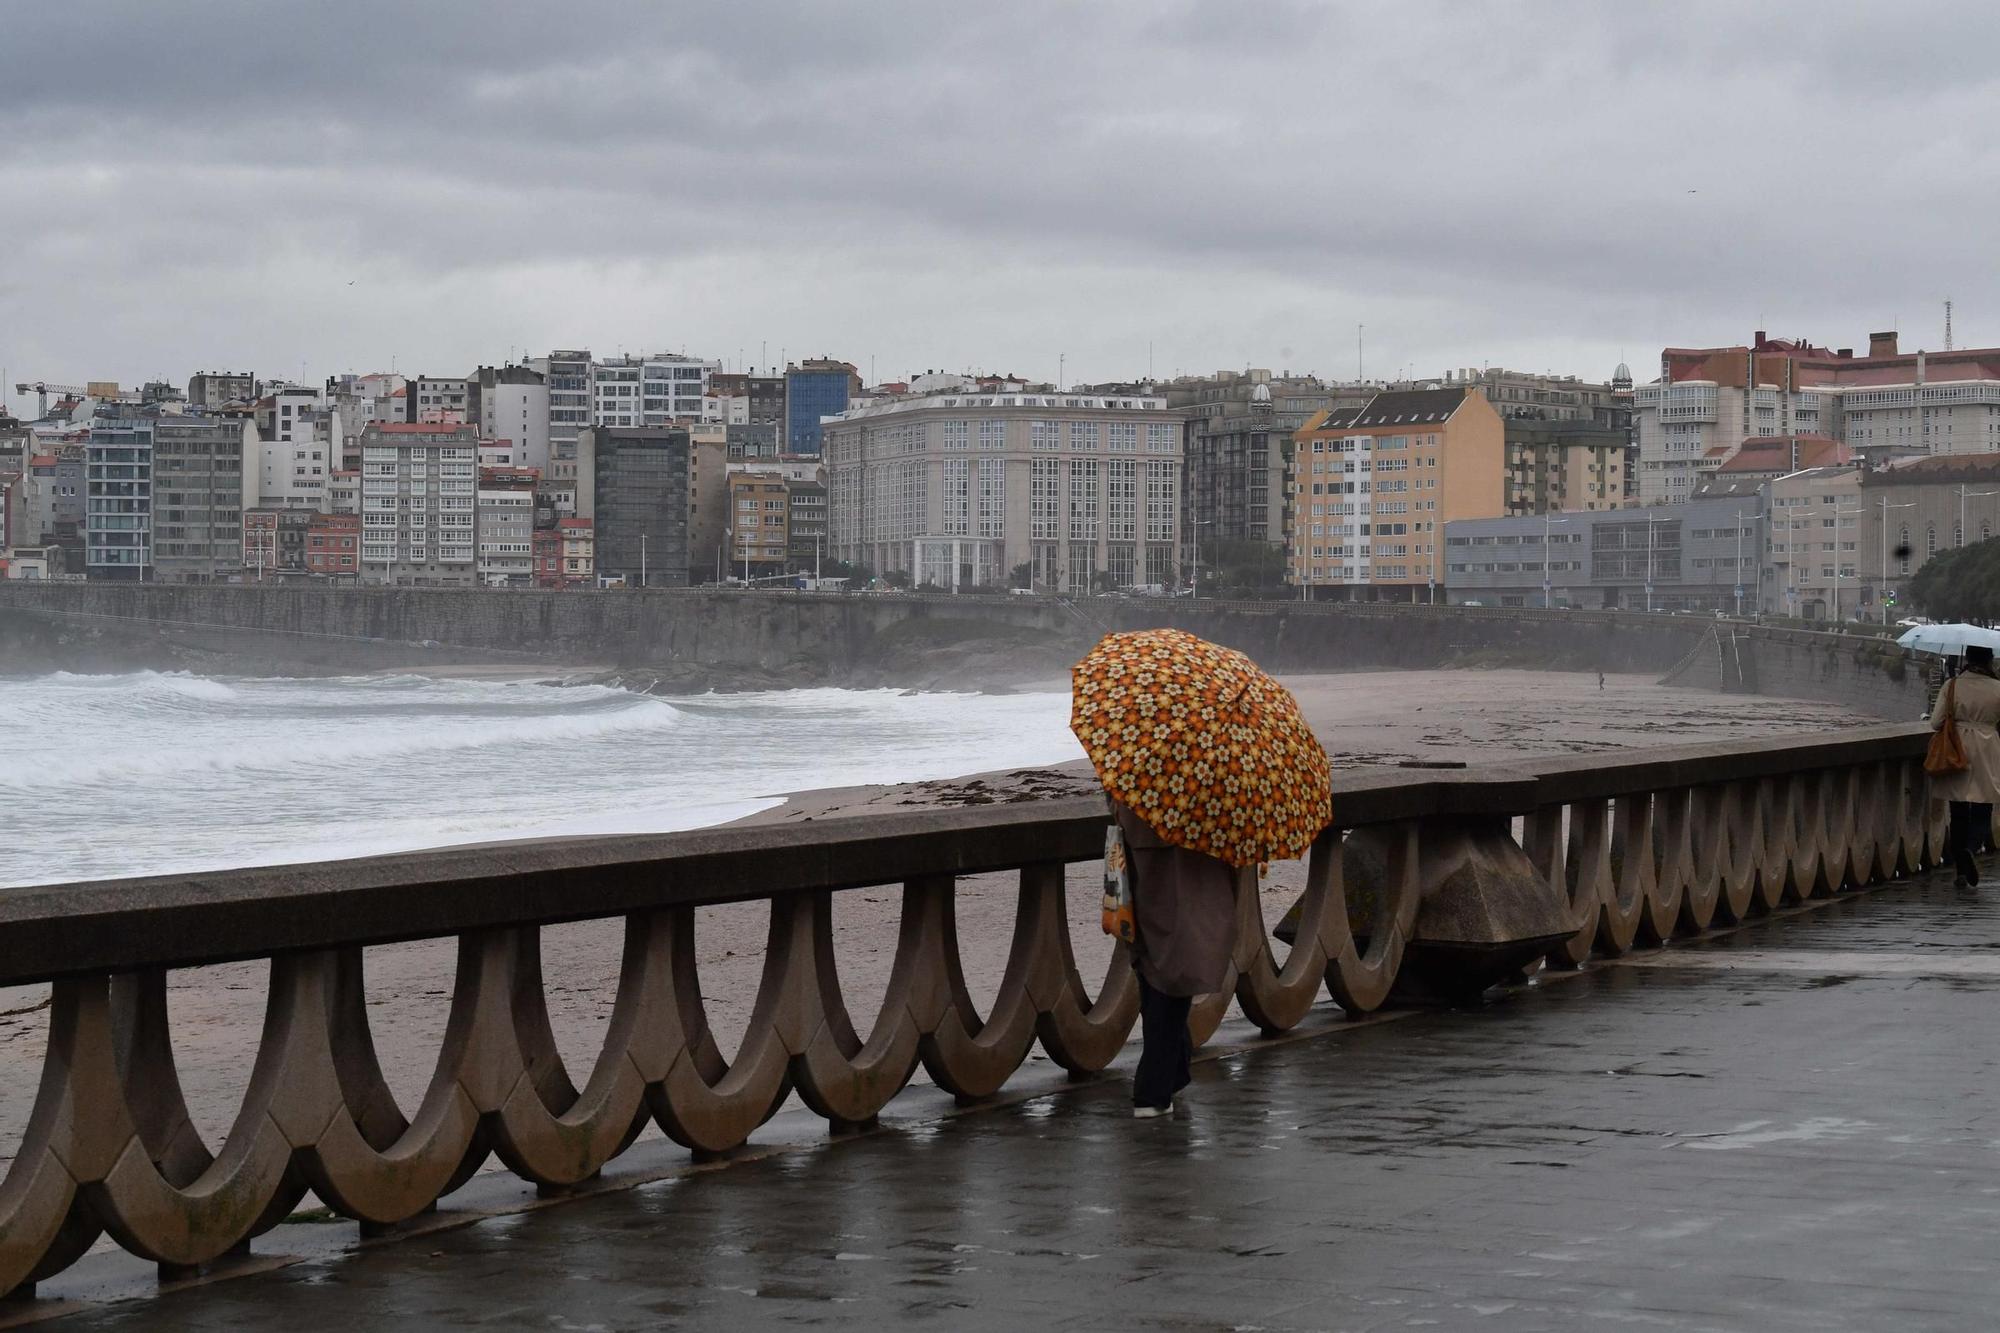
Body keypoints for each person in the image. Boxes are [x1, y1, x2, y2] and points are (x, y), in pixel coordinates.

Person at [1112, 800, 1236, 1118]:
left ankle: (1172, 1074)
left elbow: (1115, 805)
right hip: (1181, 870)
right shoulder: (1202, 779)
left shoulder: (1133, 769)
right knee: (1174, 974)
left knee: (1155, 968)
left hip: (1140, 864)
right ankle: (1152, 1092)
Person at [1929, 644, 2000, 888]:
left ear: (1967, 658)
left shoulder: (1952, 685)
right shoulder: (1997, 688)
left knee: (1958, 810)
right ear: (1990, 660)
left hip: (1956, 748)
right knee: (1983, 805)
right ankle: (1971, 848)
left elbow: (1935, 722)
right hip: (1987, 748)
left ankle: (1961, 870)